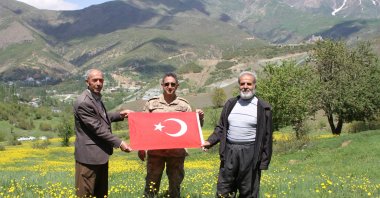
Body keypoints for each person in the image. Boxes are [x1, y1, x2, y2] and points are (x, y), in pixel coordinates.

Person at [202, 71, 273, 198]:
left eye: (249, 83)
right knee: (224, 189)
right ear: (239, 85)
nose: (245, 86)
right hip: (229, 151)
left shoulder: (263, 107)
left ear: (254, 85)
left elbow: (267, 137)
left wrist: (264, 161)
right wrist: (209, 142)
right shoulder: (230, 104)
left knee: (248, 191)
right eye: (242, 83)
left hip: (250, 152)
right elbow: (221, 128)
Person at [138, 72, 204, 198]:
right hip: (155, 152)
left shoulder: (184, 105)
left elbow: (193, 128)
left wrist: (200, 118)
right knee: (151, 185)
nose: (169, 86)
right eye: (167, 84)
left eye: (172, 84)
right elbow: (142, 127)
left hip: (176, 153)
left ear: (177, 86)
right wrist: (141, 147)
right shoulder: (151, 104)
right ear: (162, 85)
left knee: (175, 186)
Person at [74, 68, 132, 197]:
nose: (98, 83)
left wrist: (120, 115)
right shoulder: (84, 102)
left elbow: (101, 118)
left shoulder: (95, 98)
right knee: (86, 194)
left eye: (101, 80)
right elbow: (98, 129)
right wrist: (120, 143)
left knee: (101, 194)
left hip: (100, 156)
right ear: (87, 82)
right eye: (95, 80)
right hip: (88, 158)